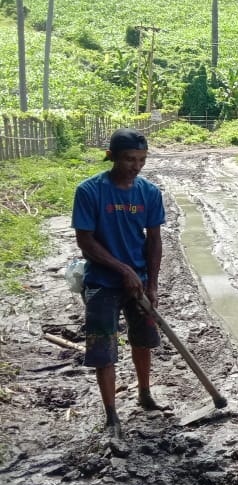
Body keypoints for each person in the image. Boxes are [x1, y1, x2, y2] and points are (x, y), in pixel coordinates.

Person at [72, 128, 167, 455]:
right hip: (102, 282)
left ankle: (144, 393)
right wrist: (122, 269)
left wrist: (151, 283)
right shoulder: (89, 191)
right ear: (111, 156)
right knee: (104, 349)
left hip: (139, 282)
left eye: (141, 160)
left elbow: (154, 241)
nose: (135, 167)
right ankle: (111, 414)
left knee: (144, 339)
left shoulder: (149, 193)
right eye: (129, 159)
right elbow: (85, 242)